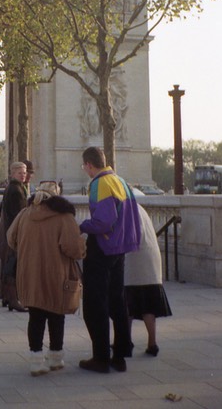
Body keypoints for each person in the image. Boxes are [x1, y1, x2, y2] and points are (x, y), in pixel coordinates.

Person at [7, 181, 86, 376]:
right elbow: (73, 249)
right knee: (56, 315)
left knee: (35, 317)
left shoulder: (24, 214)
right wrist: (83, 244)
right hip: (56, 274)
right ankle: (56, 357)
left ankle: (35, 360)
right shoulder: (64, 217)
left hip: (29, 273)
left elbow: (11, 238)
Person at [79, 146, 141, 373]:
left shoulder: (99, 183)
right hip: (120, 249)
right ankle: (120, 356)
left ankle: (101, 358)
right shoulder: (120, 181)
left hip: (102, 248)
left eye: (84, 166)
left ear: (88, 165)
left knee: (95, 305)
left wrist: (82, 226)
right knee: (117, 302)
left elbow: (104, 221)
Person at [124, 203, 172, 357]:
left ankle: (126, 341)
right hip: (149, 262)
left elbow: (131, 237)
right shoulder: (138, 207)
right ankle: (151, 343)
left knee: (127, 304)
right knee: (148, 305)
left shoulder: (126, 210)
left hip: (135, 263)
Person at [0, 161, 28, 311]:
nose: (23, 175)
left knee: (10, 265)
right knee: (15, 265)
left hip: (9, 232)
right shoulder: (17, 190)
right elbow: (20, 214)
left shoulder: (11, 188)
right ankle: (14, 299)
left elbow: (0, 211)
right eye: (20, 172)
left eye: (24, 172)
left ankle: (7, 297)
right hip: (15, 234)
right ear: (13, 174)